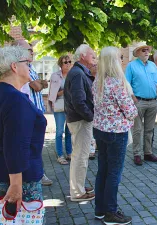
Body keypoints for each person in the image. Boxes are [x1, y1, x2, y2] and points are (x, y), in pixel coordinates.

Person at [0, 46, 46, 212]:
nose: (30, 68)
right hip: (17, 181)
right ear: (14, 66)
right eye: (27, 63)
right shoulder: (15, 100)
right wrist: (16, 185)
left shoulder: (2, 93)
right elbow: (15, 144)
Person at [92, 46, 138, 225]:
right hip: (116, 132)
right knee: (114, 173)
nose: (122, 60)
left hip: (100, 130)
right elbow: (130, 110)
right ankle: (111, 212)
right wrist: (134, 110)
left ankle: (100, 210)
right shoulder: (116, 82)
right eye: (120, 57)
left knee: (103, 170)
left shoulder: (98, 81)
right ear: (113, 61)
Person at [12, 40, 53, 187]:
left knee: (36, 145)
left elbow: (41, 84)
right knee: (31, 146)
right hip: (27, 114)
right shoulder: (21, 68)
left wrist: (40, 83)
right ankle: (36, 175)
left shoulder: (30, 67)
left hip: (36, 111)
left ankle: (36, 174)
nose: (32, 52)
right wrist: (40, 83)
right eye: (29, 50)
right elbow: (37, 85)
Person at [64, 44, 96, 202]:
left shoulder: (79, 72)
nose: (94, 58)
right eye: (92, 55)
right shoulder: (78, 73)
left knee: (80, 155)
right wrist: (90, 117)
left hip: (79, 119)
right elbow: (78, 101)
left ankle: (79, 185)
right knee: (81, 156)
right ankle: (77, 192)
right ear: (82, 56)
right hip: (80, 120)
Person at [125, 43, 157, 166]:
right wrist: (134, 100)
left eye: (147, 50)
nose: (146, 52)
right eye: (143, 50)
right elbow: (127, 85)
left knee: (149, 129)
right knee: (137, 130)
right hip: (139, 102)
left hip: (152, 101)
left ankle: (148, 153)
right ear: (138, 53)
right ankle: (137, 154)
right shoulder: (131, 66)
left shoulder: (152, 65)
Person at [48, 55, 72, 165]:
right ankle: (60, 155)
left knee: (69, 131)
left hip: (71, 105)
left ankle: (69, 153)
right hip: (59, 104)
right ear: (60, 65)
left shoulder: (73, 75)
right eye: (65, 62)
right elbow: (53, 94)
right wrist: (65, 90)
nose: (68, 64)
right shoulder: (55, 76)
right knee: (59, 131)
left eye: (69, 62)